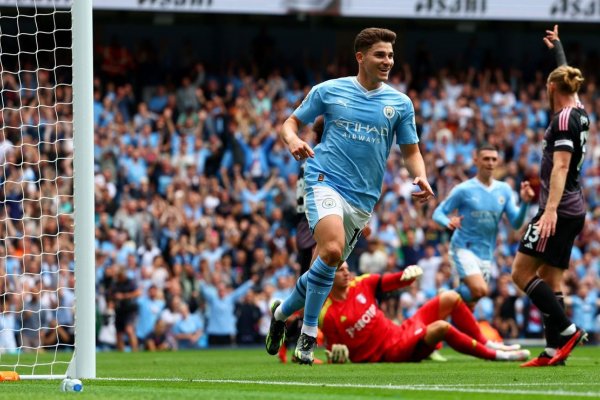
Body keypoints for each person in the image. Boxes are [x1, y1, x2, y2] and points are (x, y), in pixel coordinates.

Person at [266, 27, 435, 365]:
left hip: (363, 199)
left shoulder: (400, 103)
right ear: (361, 57)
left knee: (321, 269)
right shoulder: (328, 91)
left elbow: (411, 150)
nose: (388, 61)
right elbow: (289, 123)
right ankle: (308, 335)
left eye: (390, 55)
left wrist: (421, 174)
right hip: (324, 179)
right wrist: (294, 141)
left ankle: (281, 313)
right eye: (380, 55)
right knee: (330, 252)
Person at [512, 25, 589, 367]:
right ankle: (552, 350)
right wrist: (558, 49)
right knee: (551, 278)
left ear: (551, 87)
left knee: (520, 272)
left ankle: (568, 329)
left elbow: (560, 167)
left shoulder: (562, 120)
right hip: (575, 208)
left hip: (559, 209)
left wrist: (549, 211)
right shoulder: (581, 111)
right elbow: (566, 76)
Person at [319, 263, 529, 364]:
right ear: (329, 275)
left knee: (450, 297)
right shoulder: (327, 315)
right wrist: (336, 357)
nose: (347, 272)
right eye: (340, 270)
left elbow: (397, 279)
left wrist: (410, 273)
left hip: (401, 331)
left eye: (347, 267)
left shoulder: (362, 282)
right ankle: (496, 356)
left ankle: (488, 342)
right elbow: (333, 353)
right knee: (441, 327)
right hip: (392, 352)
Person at [433, 144, 534, 305]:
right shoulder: (464, 189)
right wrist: (448, 222)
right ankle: (445, 297)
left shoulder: (504, 190)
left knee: (472, 300)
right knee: (480, 289)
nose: (490, 163)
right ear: (476, 161)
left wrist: (525, 203)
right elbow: (438, 213)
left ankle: (446, 297)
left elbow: (515, 223)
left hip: (486, 253)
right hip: (463, 247)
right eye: (486, 159)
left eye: (494, 159)